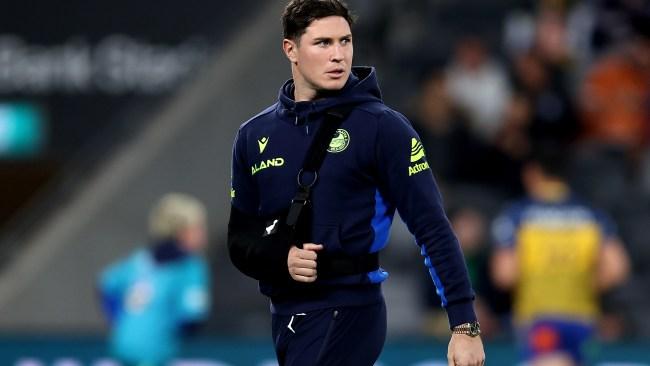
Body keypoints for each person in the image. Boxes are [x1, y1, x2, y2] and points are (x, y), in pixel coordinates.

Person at [227, 1, 485, 365]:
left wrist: (464, 325)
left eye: (344, 41)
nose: (338, 55)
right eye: (323, 43)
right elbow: (240, 239)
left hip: (349, 307)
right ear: (291, 49)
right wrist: (280, 258)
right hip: (285, 314)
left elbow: (433, 228)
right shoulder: (254, 135)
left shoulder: (383, 128)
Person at [490, 145, 630, 366]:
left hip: (537, 320)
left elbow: (504, 275)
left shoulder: (517, 215)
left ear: (532, 173)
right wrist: (582, 282)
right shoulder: (592, 215)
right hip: (582, 318)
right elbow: (616, 269)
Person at [98, 193, 211, 366]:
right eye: (198, 228)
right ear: (180, 232)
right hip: (154, 355)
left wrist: (121, 323)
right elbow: (192, 320)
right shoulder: (191, 267)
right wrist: (161, 330)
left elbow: (106, 285)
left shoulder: (140, 259)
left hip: (123, 349)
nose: (203, 233)